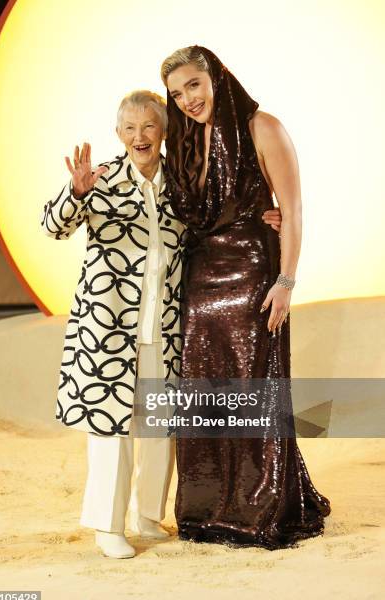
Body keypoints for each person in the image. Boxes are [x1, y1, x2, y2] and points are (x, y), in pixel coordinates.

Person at [41, 89, 282, 558]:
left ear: (164, 132)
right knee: (110, 428)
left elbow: (214, 225)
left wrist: (260, 217)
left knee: (158, 427)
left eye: (148, 126)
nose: (139, 136)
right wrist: (75, 193)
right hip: (108, 328)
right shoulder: (101, 179)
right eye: (129, 128)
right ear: (118, 133)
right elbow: (53, 226)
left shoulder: (181, 184)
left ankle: (147, 515)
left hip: (165, 327)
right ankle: (107, 527)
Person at [160, 45, 331, 549]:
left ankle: (257, 506)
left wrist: (287, 280)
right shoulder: (184, 137)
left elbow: (293, 212)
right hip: (200, 275)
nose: (187, 99)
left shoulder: (264, 127)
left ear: (215, 76)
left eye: (193, 84)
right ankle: (208, 509)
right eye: (177, 93)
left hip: (254, 275)